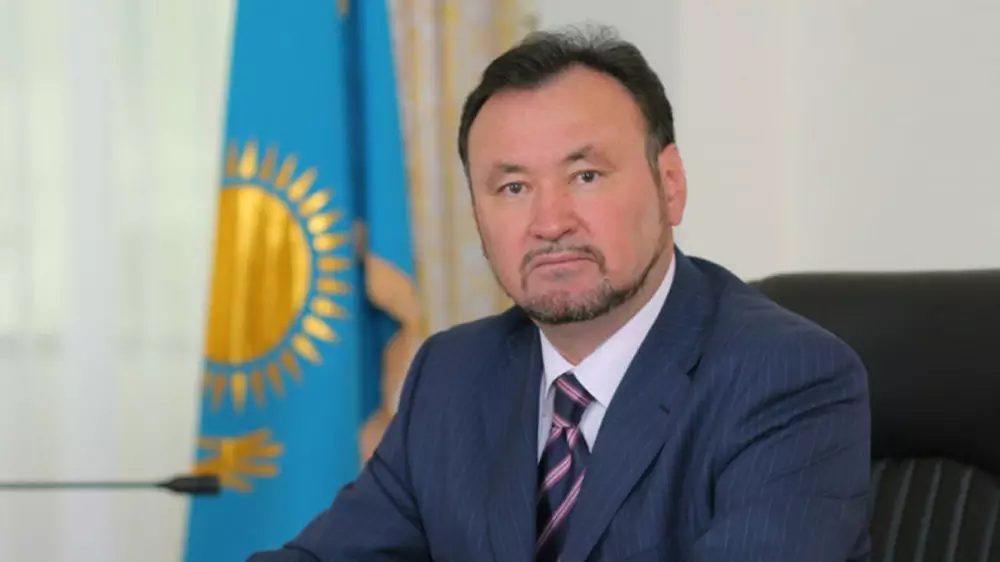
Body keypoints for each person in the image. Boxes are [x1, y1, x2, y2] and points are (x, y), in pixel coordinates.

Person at [249, 24, 872, 562]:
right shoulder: (452, 375)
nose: (549, 223)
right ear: (477, 217)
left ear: (670, 185)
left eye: (586, 175)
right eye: (513, 188)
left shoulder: (785, 378)